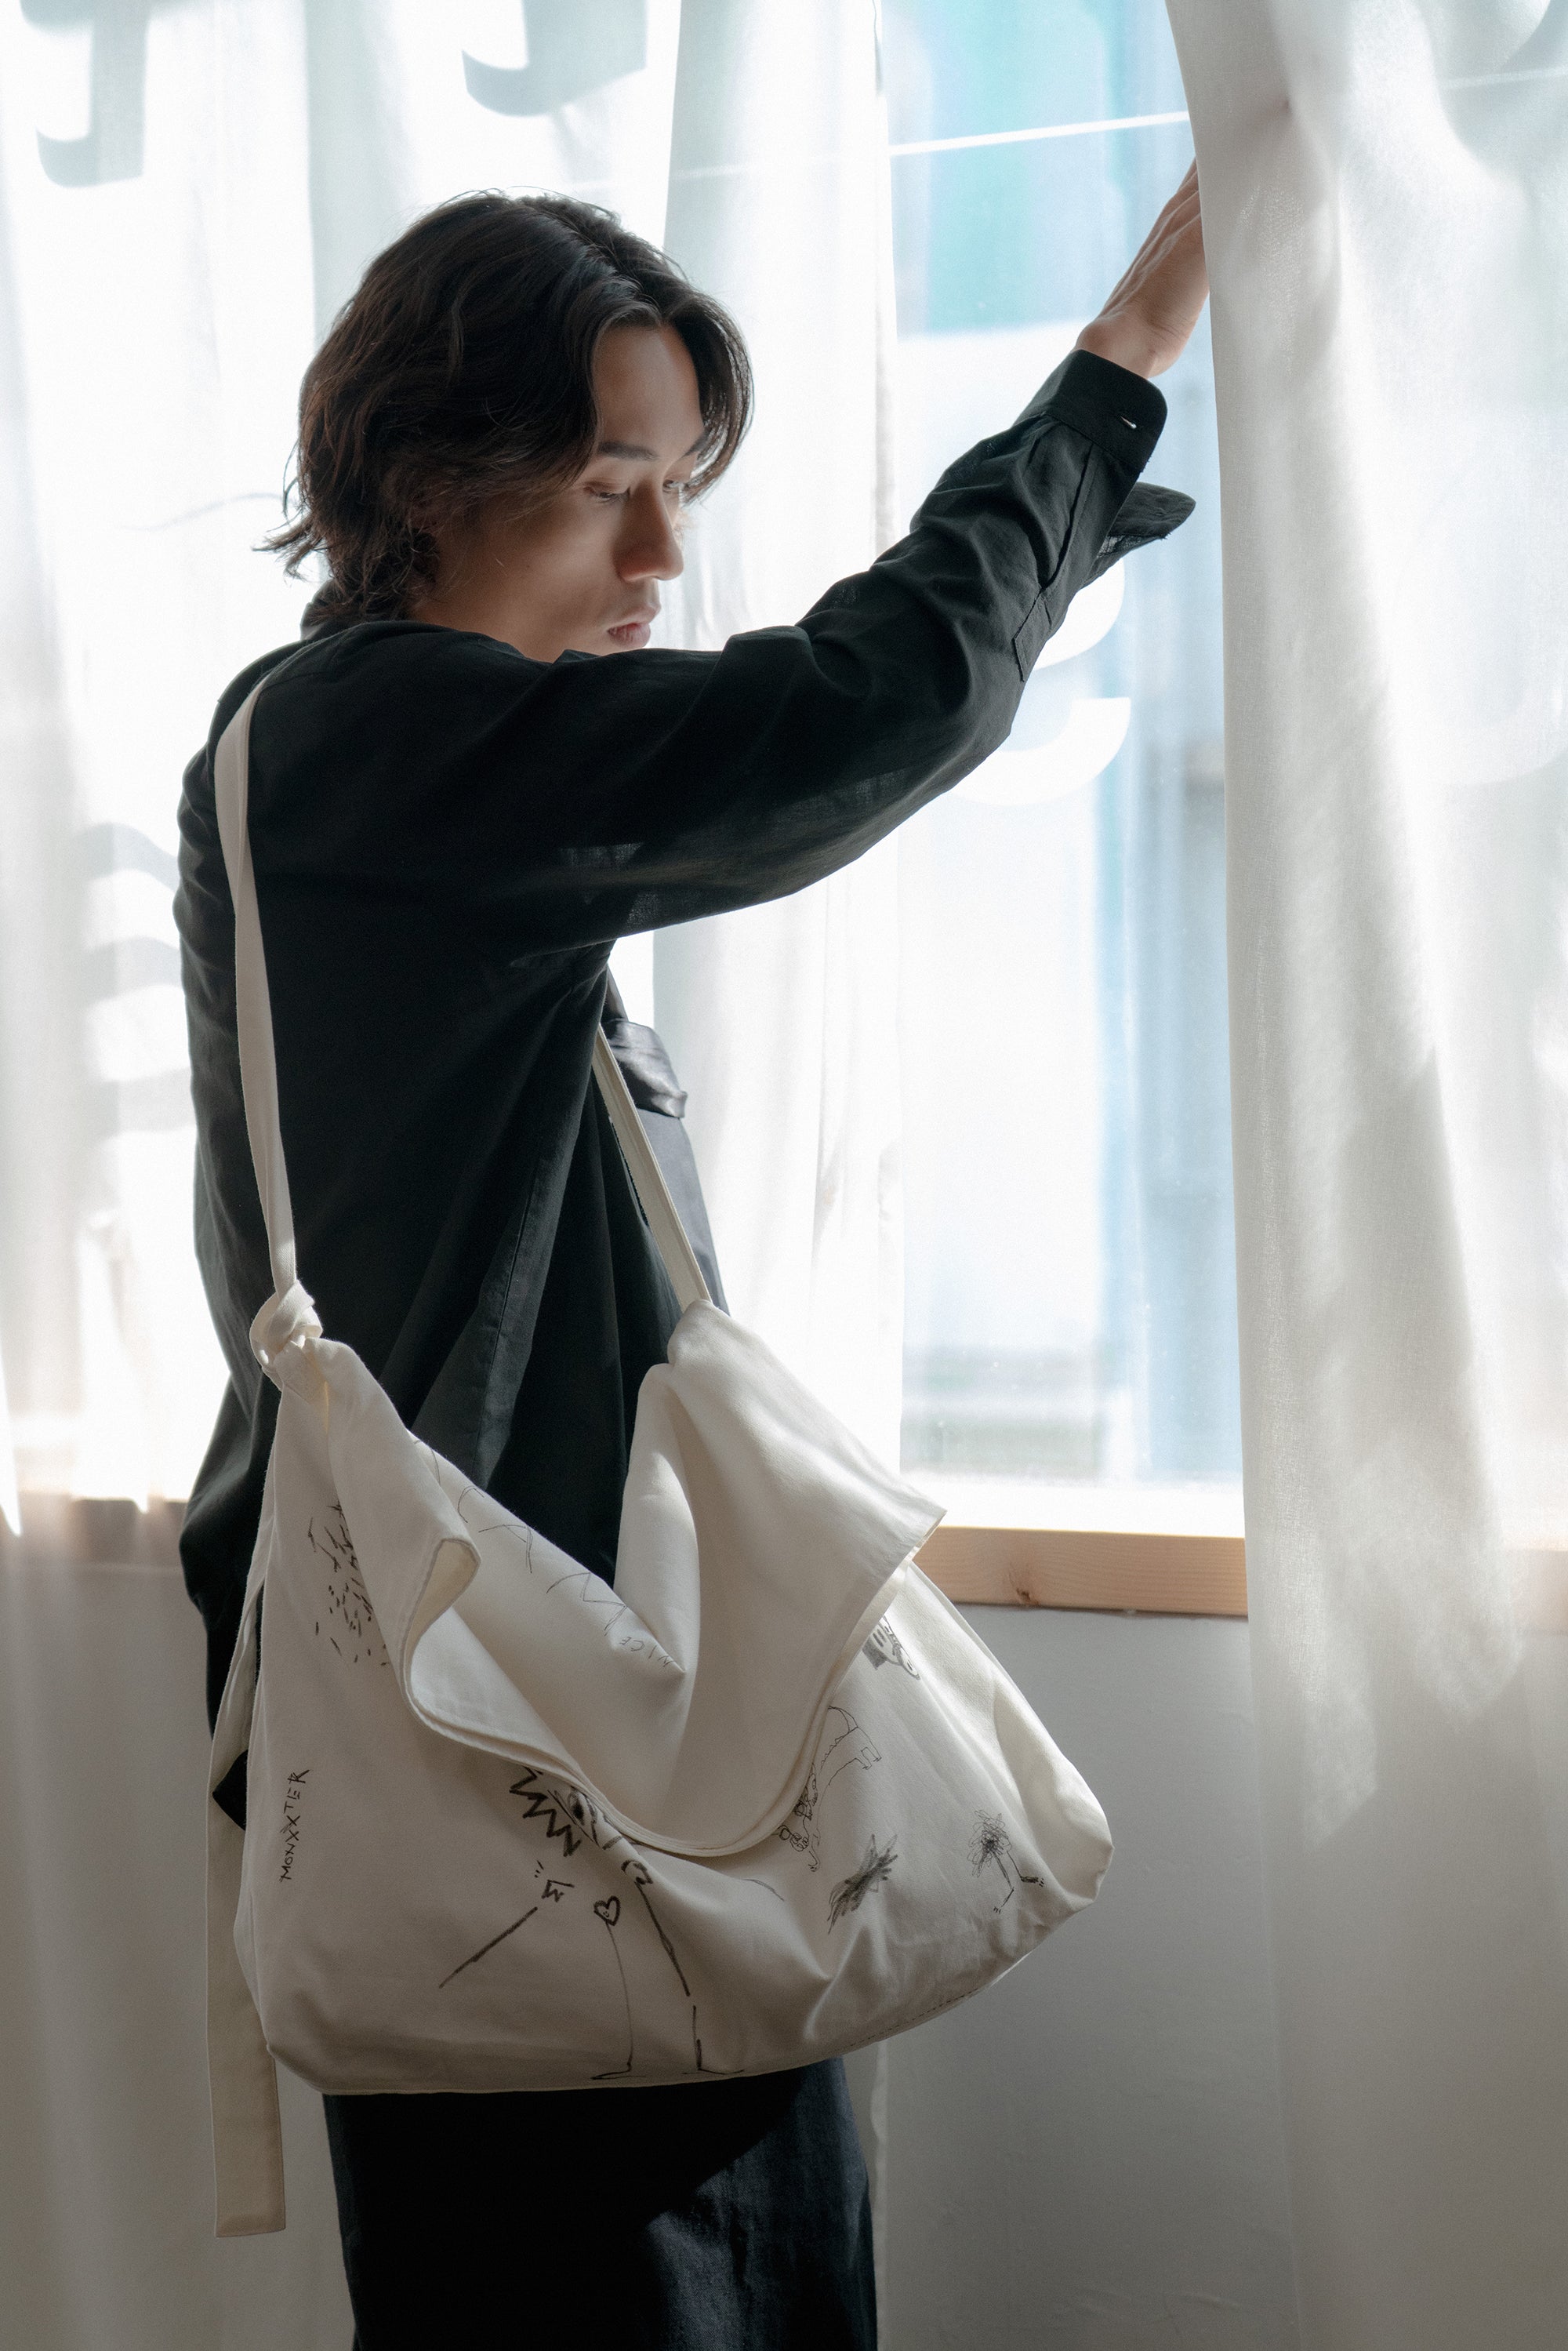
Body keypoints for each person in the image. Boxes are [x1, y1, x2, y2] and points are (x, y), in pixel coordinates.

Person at [176, 169, 1207, 2351]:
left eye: (680, 489)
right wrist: (1126, 351)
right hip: (526, 1748)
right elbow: (864, 710)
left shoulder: (392, 768)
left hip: (569, 1723)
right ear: (423, 477)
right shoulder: (379, 745)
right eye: (607, 485)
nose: (661, 555)